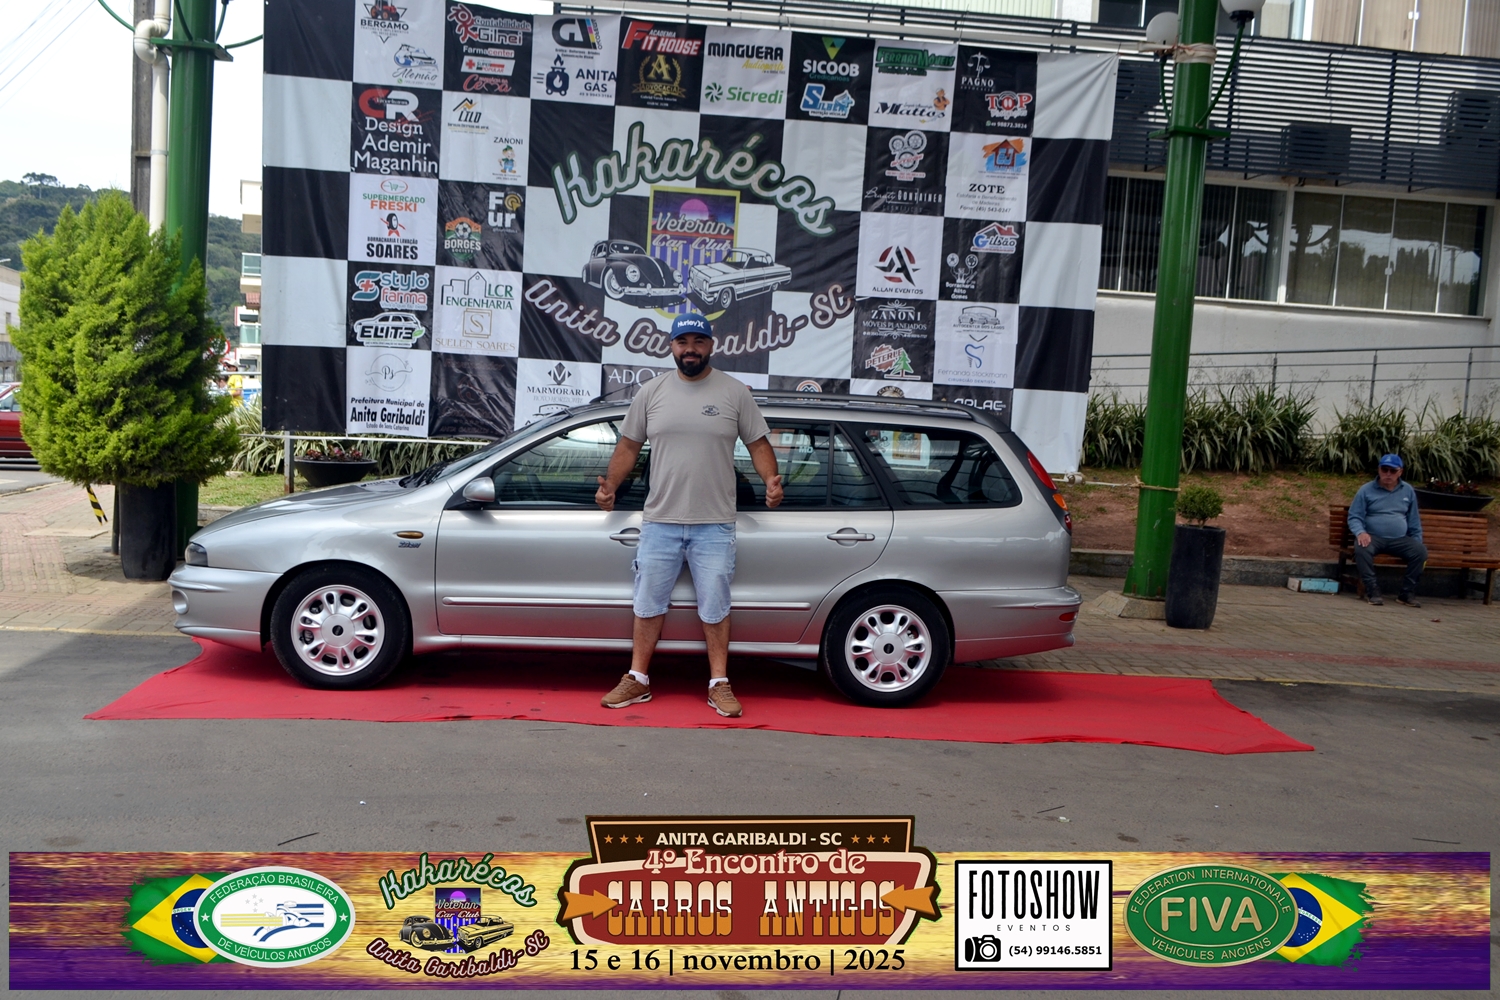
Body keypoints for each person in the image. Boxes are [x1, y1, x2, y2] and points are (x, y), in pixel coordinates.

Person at [594, 312, 784, 717]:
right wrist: (610, 486)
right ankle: (637, 679)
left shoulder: (734, 392)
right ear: (671, 346)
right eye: (683, 342)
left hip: (715, 522)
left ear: (711, 345)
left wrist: (771, 480)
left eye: (698, 341)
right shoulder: (651, 392)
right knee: (647, 603)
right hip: (659, 521)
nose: (690, 349)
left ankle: (719, 683)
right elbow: (628, 446)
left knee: (715, 606)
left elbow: (758, 443)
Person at [1347, 453, 1426, 607]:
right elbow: (1354, 516)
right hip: (1373, 537)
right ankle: (1372, 590)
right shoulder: (1366, 490)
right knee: (1362, 548)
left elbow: (1414, 520)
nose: (1388, 474)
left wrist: (1417, 541)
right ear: (1379, 470)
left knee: (1420, 552)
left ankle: (1406, 593)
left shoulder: (1407, 490)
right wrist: (1360, 532)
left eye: (1392, 470)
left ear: (1400, 472)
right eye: (1384, 469)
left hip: (1399, 539)